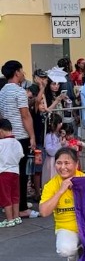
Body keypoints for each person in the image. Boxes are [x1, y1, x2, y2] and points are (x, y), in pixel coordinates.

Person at [39, 147, 85, 261]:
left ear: (76, 164)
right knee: (65, 250)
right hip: (67, 227)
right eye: (59, 163)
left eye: (67, 163)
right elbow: (44, 212)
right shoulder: (51, 185)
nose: (62, 167)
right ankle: (74, 255)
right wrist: (61, 191)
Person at [0, 60, 37, 219]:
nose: (23, 73)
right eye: (21, 70)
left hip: (6, 135)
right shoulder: (19, 92)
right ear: (16, 72)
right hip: (20, 136)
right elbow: (25, 115)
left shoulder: (2, 92)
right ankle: (21, 208)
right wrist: (32, 136)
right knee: (21, 173)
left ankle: (11, 205)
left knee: (9, 171)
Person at [0, 119, 24, 227]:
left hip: (4, 172)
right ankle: (16, 217)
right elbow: (20, 155)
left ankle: (9, 219)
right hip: (15, 171)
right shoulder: (17, 143)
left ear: (1, 131)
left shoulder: (1, 143)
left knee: (6, 196)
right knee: (15, 195)